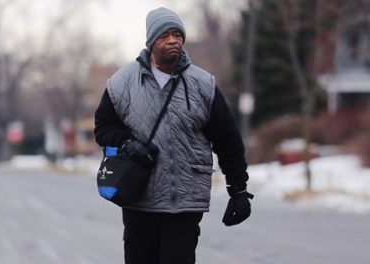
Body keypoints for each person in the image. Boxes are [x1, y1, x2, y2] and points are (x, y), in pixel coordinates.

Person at [94, 7, 254, 264]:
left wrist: (239, 190)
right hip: (139, 198)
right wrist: (127, 144)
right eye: (165, 35)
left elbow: (228, 142)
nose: (173, 40)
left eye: (177, 34)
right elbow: (103, 128)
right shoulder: (122, 83)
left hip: (184, 202)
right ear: (150, 42)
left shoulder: (203, 85)